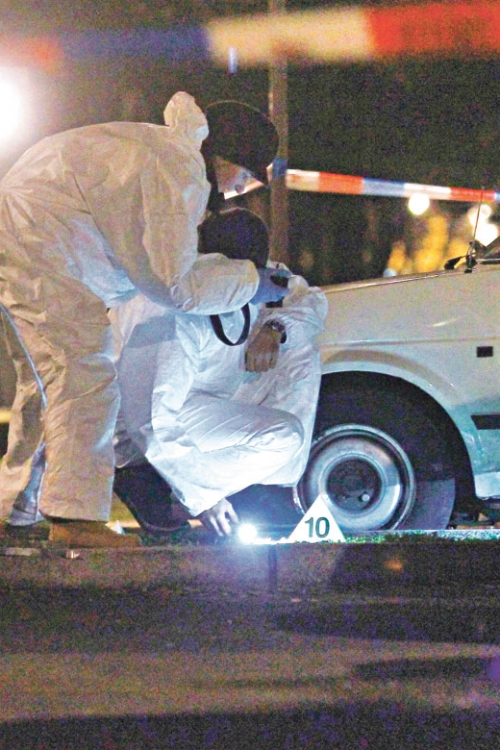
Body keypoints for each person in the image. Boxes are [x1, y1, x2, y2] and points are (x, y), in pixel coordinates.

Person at [0, 91, 286, 547]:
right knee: (85, 378)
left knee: (46, 382)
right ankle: (75, 522)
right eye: (247, 178)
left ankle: (14, 509)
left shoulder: (158, 149)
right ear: (226, 158)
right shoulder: (179, 170)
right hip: (48, 248)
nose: (241, 191)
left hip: (30, 236)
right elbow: (174, 283)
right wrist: (250, 283)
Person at [111, 208, 328, 537]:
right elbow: (151, 420)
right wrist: (204, 499)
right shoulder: (172, 308)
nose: (253, 282)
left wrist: (275, 328)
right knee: (284, 436)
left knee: (300, 351)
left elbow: (309, 301)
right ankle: (159, 489)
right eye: (246, 275)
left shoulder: (243, 282)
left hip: (200, 400)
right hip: (135, 431)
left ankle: (261, 489)